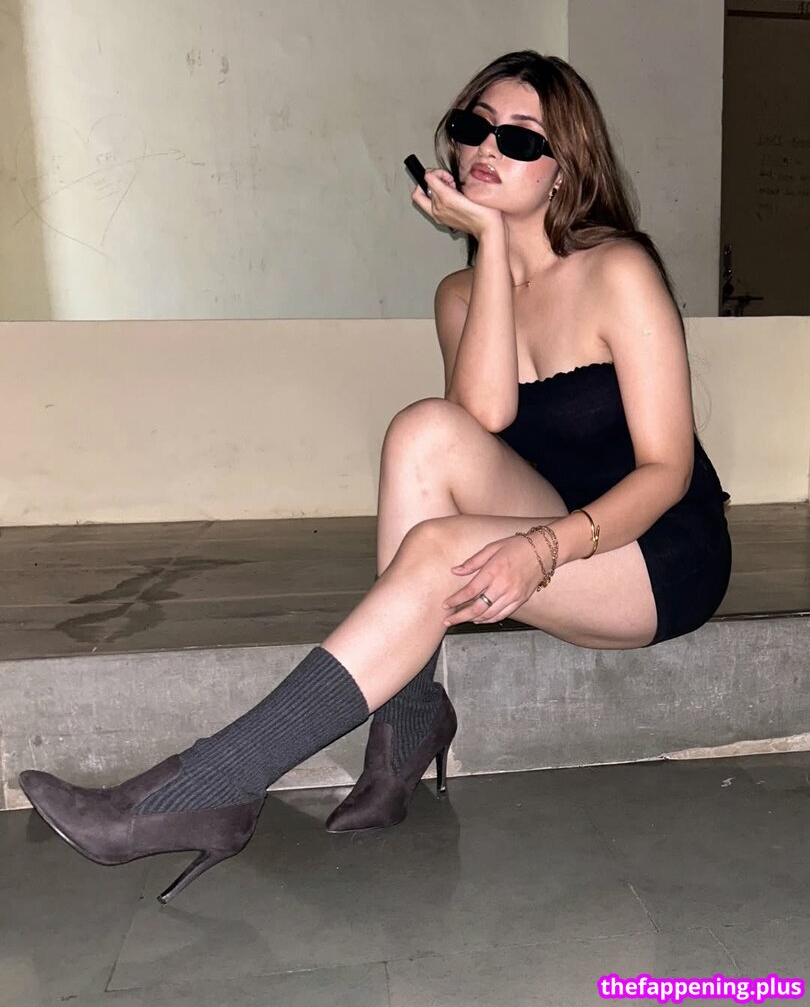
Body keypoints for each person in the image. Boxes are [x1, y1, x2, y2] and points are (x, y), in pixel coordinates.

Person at [19, 50, 732, 904]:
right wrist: (491, 247)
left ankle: (207, 790)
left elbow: (667, 470)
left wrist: (543, 549)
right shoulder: (460, 294)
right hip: (552, 527)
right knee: (422, 430)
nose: (486, 148)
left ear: (566, 166)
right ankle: (407, 717)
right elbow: (480, 419)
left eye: (519, 138)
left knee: (435, 550)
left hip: (657, 553)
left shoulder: (619, 270)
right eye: (472, 127)